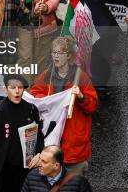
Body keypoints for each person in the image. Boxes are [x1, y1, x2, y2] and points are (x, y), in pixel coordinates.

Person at [30, 37, 98, 176]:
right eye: (53, 52)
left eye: (60, 53)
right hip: (51, 142)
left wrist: (81, 97)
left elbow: (92, 106)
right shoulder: (46, 76)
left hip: (73, 144)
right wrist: (51, 102)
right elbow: (35, 97)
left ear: (68, 56)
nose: (56, 56)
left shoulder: (81, 78)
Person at [0, 74, 44, 192]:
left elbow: (39, 136)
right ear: (5, 89)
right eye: (12, 87)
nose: (17, 91)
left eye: (20, 88)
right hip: (3, 170)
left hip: (26, 170)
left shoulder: (31, 109)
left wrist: (39, 154)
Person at [11, 0, 60, 79]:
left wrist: (46, 7)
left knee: (41, 60)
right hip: (24, 27)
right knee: (25, 59)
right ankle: (24, 90)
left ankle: (38, 91)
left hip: (44, 28)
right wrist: (23, 2)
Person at [21, 146, 93, 191]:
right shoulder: (32, 176)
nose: (39, 164)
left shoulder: (77, 181)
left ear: (56, 166)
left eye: (44, 162)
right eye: (40, 159)